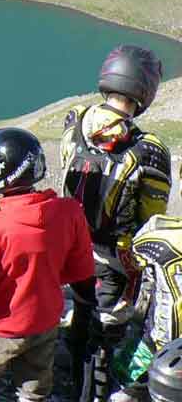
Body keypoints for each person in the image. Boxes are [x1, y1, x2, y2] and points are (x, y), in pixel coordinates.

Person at [61, 45, 172, 402]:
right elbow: (151, 220)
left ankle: (72, 371)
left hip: (71, 248)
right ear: (145, 89)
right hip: (115, 264)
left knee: (81, 311)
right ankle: (95, 391)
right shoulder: (149, 150)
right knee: (106, 335)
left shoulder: (75, 122)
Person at [0, 127, 94, 402]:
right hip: (46, 320)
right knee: (34, 388)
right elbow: (80, 270)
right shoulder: (70, 210)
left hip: (1, 327)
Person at [111, 215, 182, 401]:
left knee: (129, 380)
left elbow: (132, 260)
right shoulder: (160, 234)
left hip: (160, 336)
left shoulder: (159, 235)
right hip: (161, 336)